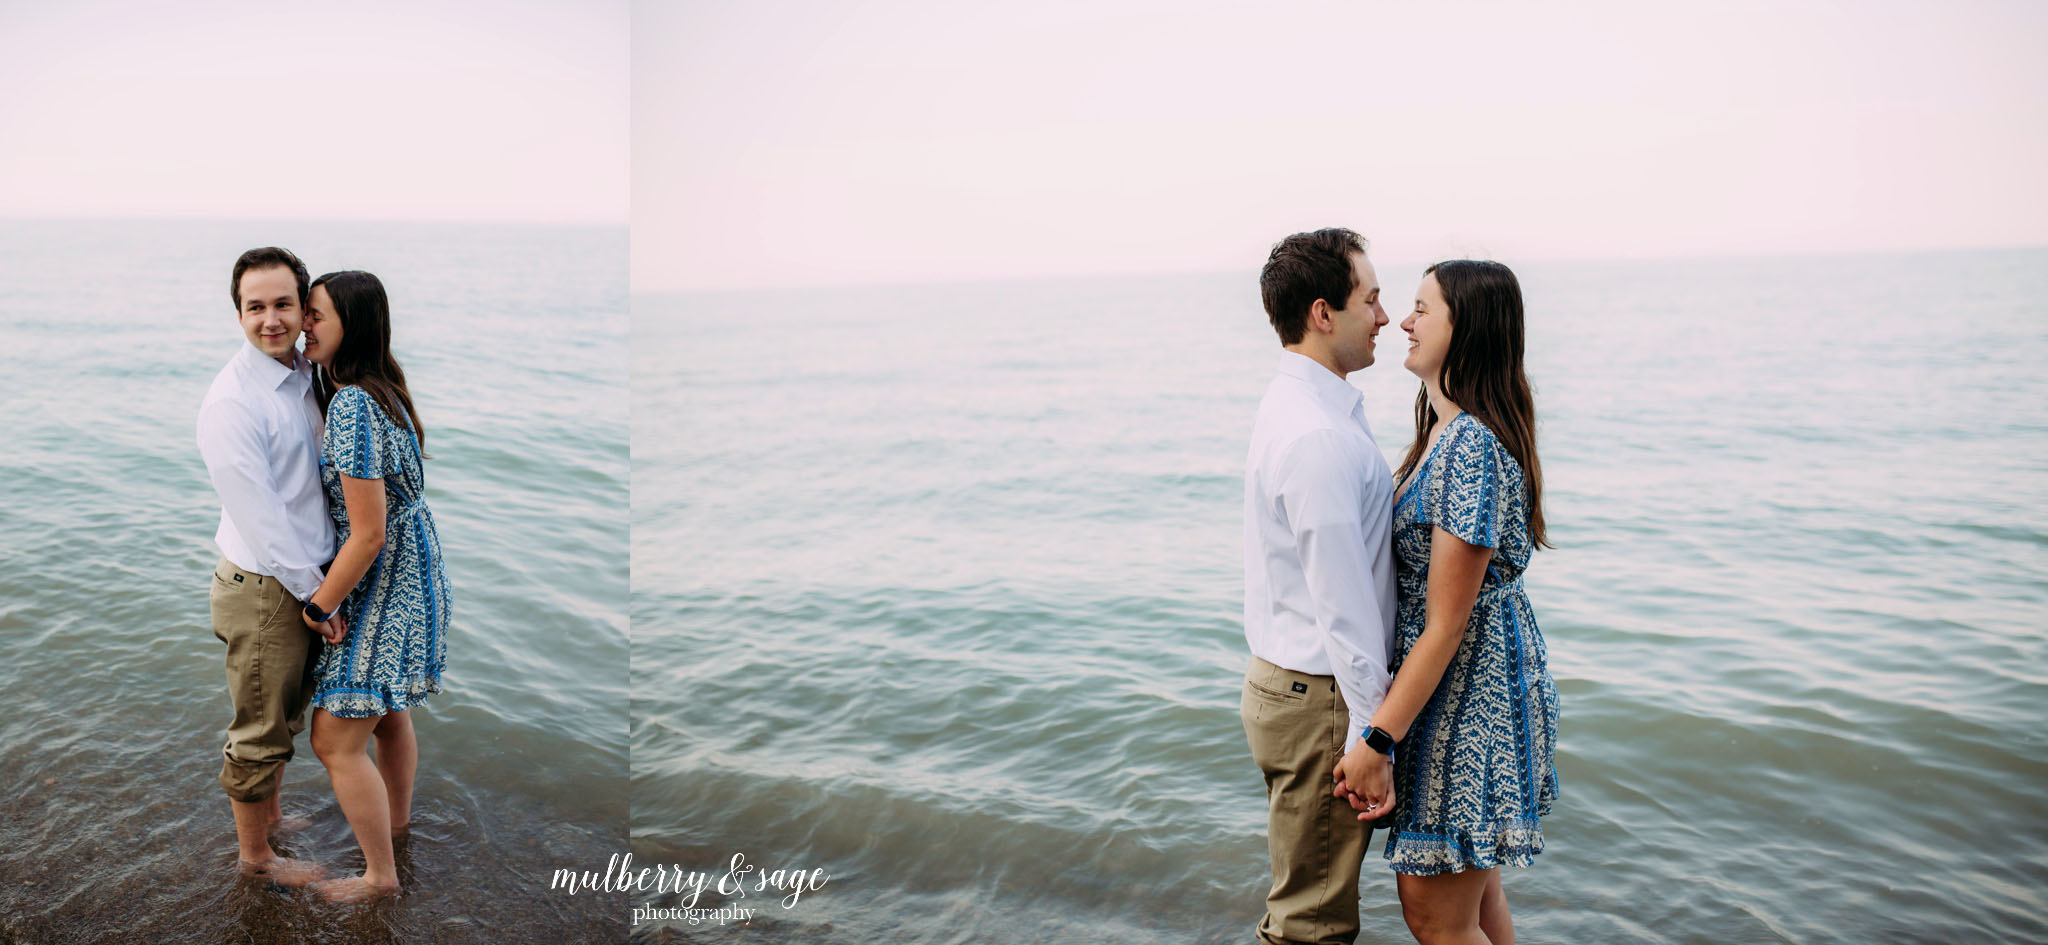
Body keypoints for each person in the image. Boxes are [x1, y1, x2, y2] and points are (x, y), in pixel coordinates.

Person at [1334, 260, 1560, 945]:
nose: (1404, 321)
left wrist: (1377, 737)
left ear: (1467, 328)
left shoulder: (1468, 447)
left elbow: (1445, 624)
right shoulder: (1445, 429)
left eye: (1422, 309)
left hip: (1473, 704)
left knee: (1437, 915)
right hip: (1466, 694)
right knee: (1477, 905)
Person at [1241, 227, 1399, 944]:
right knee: (1313, 923)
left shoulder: (1298, 409)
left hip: (1295, 688)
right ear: (1321, 312)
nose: (1386, 317)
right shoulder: (1319, 437)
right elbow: (1344, 610)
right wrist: (1375, 738)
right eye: (1371, 299)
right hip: (1323, 701)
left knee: (1304, 907)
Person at [296, 269, 452, 902]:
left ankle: (379, 876)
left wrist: (319, 603)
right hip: (420, 577)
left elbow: (367, 534)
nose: (304, 325)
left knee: (334, 738)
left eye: (315, 314)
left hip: (384, 584)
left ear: (348, 326)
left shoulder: (354, 406)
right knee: (388, 714)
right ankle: (396, 826)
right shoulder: (383, 388)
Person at [197, 246, 342, 887]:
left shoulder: (304, 376)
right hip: (266, 587)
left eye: (283, 304)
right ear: (238, 314)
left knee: (283, 717)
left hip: (300, 581)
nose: (271, 319)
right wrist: (320, 596)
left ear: (303, 309)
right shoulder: (234, 402)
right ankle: (256, 859)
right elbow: (262, 519)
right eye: (255, 307)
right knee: (259, 730)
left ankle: (274, 815)